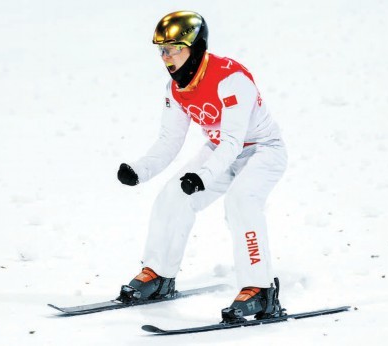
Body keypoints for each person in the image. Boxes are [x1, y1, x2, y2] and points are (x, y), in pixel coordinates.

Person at [116, 10, 287, 322]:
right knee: (173, 196)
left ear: (193, 47)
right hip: (220, 151)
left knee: (241, 201)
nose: (165, 58)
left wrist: (202, 175)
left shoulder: (231, 78)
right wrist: (139, 170)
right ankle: (159, 275)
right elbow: (170, 140)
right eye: (161, 50)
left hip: (262, 151)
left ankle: (260, 290)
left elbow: (234, 140)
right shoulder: (176, 88)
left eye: (172, 49)